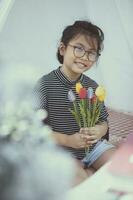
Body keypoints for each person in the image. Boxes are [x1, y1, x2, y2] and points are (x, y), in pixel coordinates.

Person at [34, 20, 115, 184]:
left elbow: (103, 121)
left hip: (94, 148)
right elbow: (34, 130)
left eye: (92, 53)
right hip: (62, 150)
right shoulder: (45, 85)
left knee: (121, 167)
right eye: (79, 49)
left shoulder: (92, 86)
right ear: (62, 49)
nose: (85, 57)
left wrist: (99, 130)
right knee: (79, 181)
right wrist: (67, 140)